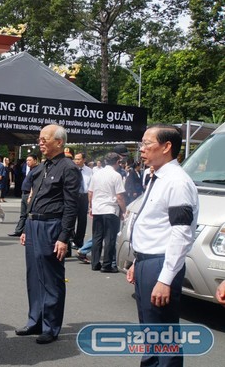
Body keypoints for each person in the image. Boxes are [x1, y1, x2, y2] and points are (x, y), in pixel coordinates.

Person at [126, 124, 198, 367]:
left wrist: (165, 279)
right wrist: (138, 260)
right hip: (149, 261)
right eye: (142, 143)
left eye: (147, 143)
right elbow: (155, 226)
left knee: (163, 334)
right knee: (151, 331)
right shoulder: (156, 177)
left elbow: (181, 233)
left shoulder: (177, 182)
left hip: (161, 264)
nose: (142, 149)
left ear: (167, 147)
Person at [16, 124, 80, 345]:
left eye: (45, 139)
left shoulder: (68, 168)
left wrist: (64, 237)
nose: (40, 142)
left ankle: (50, 326)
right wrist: (25, 227)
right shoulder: (41, 167)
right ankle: (35, 320)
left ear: (59, 142)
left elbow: (71, 206)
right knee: (34, 276)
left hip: (51, 226)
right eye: (40, 139)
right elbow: (32, 199)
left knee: (51, 279)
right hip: (34, 225)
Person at [88, 152, 126, 273]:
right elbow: (119, 196)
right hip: (110, 208)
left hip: (98, 208)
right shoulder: (116, 176)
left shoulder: (96, 174)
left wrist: (91, 206)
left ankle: (95, 262)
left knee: (97, 236)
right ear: (117, 162)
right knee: (110, 238)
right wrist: (124, 211)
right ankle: (107, 264)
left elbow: (90, 192)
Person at [9, 154, 39, 237]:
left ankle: (27, 231)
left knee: (29, 214)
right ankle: (19, 230)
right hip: (24, 193)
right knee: (23, 214)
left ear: (35, 160)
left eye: (29, 160)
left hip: (29, 194)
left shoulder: (37, 170)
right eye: (27, 160)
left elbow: (35, 185)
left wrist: (30, 195)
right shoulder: (30, 170)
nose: (27, 162)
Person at [73, 152, 93, 250]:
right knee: (70, 219)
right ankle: (70, 239)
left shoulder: (89, 171)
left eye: (79, 159)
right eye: (75, 159)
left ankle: (79, 242)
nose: (76, 161)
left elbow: (91, 186)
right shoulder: (71, 169)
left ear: (84, 160)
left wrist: (90, 202)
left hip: (84, 196)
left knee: (82, 220)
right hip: (73, 196)